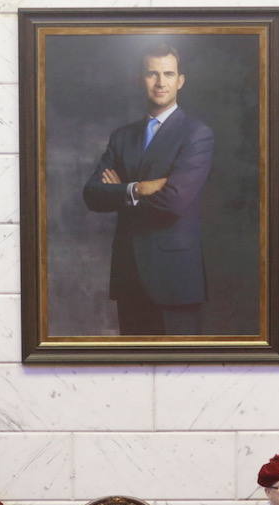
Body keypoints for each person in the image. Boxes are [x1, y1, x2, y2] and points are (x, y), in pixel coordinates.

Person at [82, 43, 215, 336]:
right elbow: (92, 193)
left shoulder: (196, 134)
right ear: (140, 79)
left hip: (175, 279)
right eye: (151, 73)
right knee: (132, 373)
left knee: (182, 375)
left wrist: (120, 193)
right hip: (129, 276)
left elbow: (174, 203)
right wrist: (139, 188)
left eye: (168, 73)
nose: (160, 82)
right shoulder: (122, 136)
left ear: (180, 81)